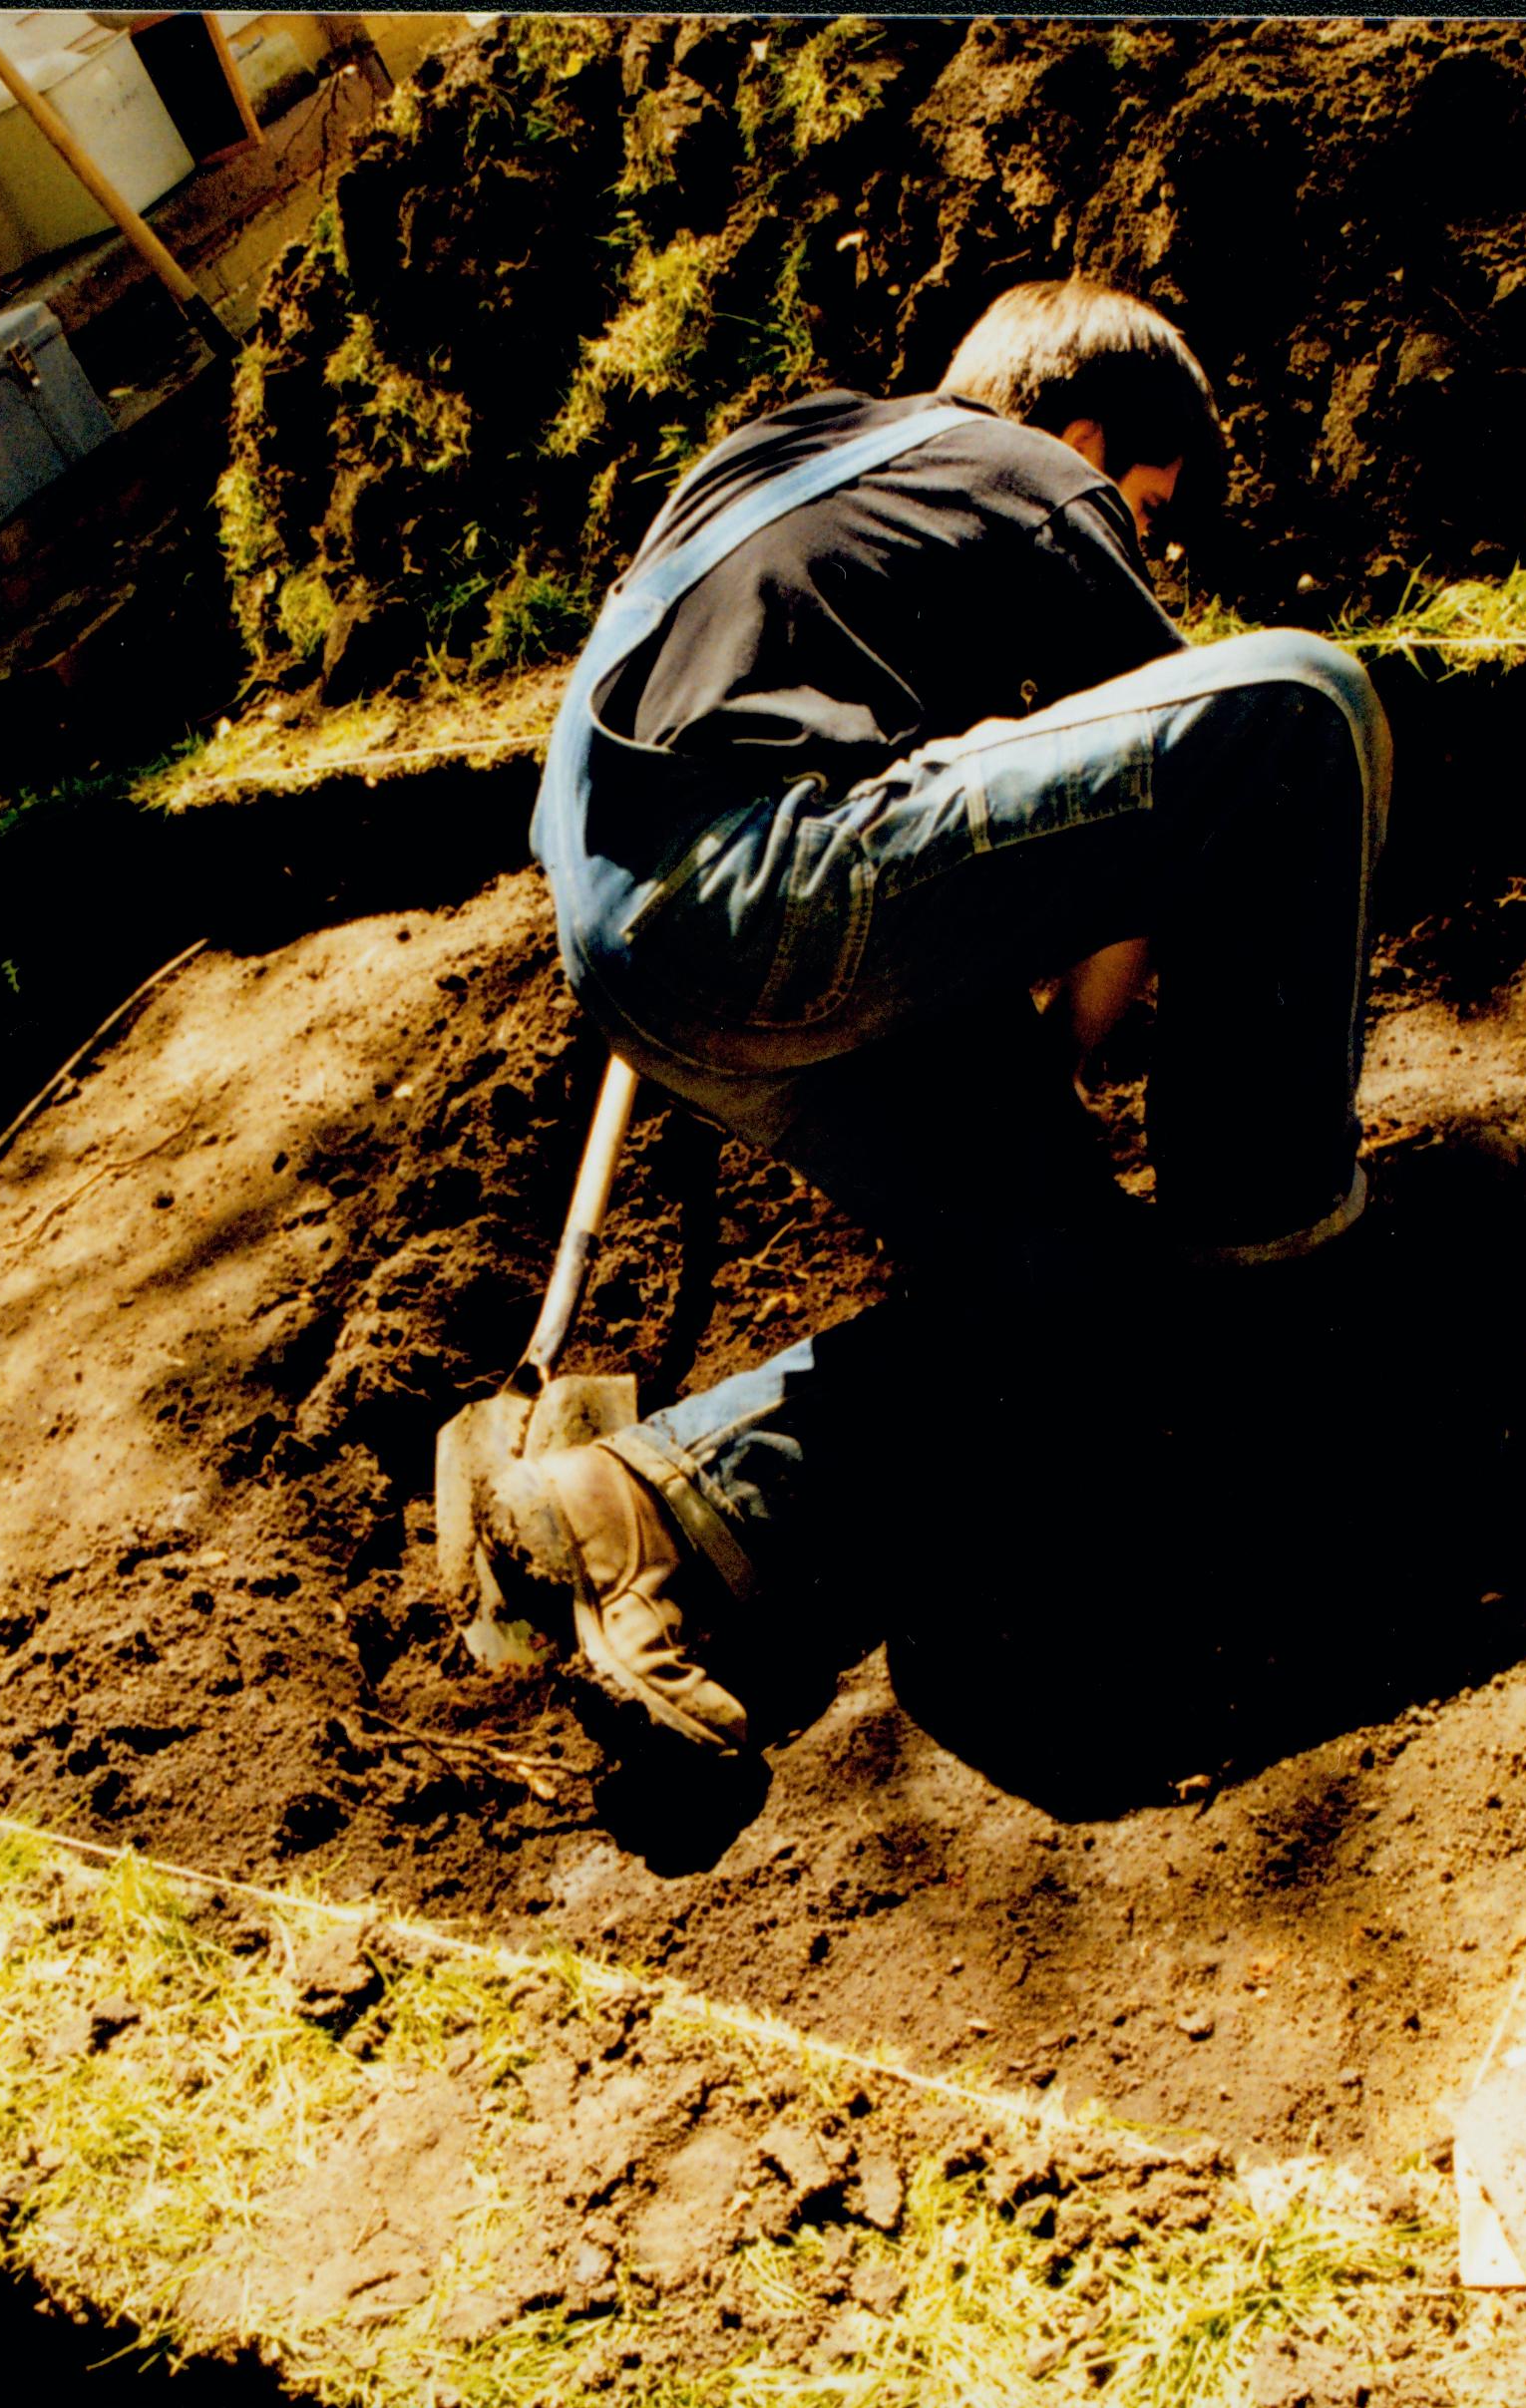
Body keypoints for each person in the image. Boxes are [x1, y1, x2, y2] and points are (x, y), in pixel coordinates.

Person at [477, 279, 1395, 1754]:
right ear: (1090, 435)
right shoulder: (1035, 472)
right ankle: (1275, 1242)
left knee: (1078, 1296)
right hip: (768, 883)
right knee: (1296, 709)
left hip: (635, 954)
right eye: (1147, 507)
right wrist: (1068, 1056)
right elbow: (1167, 808)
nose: (1131, 529)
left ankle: (658, 1503)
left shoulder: (774, 463)